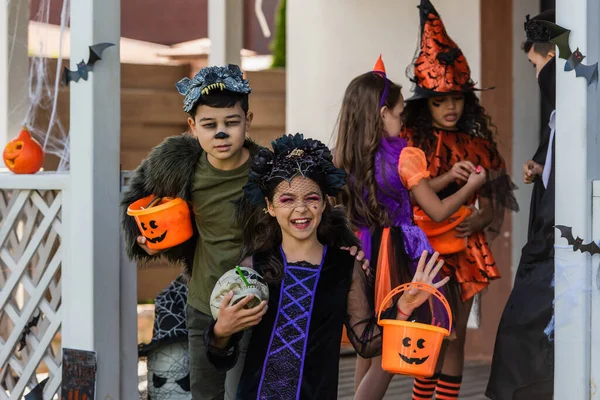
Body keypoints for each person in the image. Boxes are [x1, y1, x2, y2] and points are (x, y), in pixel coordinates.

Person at [120, 65, 367, 400]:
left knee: (245, 390)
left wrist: (345, 247)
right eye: (210, 125)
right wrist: (144, 240)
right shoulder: (181, 169)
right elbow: (142, 208)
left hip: (257, 300)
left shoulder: (265, 172)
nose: (221, 133)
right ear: (193, 127)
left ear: (247, 121)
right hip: (205, 300)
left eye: (231, 123)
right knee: (205, 393)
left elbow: (308, 216)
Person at [203, 133, 450, 399]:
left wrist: (403, 307)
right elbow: (222, 357)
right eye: (287, 200)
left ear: (324, 204)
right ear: (270, 207)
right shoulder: (254, 267)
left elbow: (366, 343)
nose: (301, 209)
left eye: (311, 198)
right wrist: (220, 332)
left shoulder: (345, 266)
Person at [333, 55, 487, 400]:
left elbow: (401, 189)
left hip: (360, 252)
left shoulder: (340, 156)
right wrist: (471, 187)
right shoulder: (406, 156)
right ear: (382, 114)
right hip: (398, 256)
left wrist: (446, 176)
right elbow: (435, 211)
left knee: (367, 343)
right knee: (391, 349)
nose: (402, 124)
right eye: (400, 114)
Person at [400, 1, 519, 398]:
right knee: (430, 334)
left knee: (455, 337)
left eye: (457, 99)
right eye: (439, 100)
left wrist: (484, 221)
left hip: (467, 249)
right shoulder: (409, 143)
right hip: (422, 250)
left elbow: (497, 198)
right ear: (424, 103)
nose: (450, 107)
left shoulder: (477, 144)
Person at [486, 10, 556, 400]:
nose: (535, 76)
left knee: (525, 335)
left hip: (556, 245)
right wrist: (541, 164)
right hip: (544, 244)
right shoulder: (561, 115)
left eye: (536, 64)